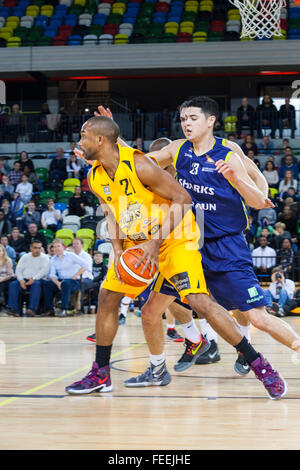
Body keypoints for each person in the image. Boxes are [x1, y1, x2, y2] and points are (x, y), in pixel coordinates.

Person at [65, 113, 286, 400]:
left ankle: (258, 363)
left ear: (99, 140)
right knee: (108, 296)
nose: (79, 141)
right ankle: (101, 373)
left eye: (83, 135)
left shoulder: (140, 164)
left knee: (199, 301)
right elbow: (112, 213)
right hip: (138, 242)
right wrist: (118, 252)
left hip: (175, 239)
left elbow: (183, 199)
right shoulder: (95, 176)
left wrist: (155, 243)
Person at [43, 239, 91, 317]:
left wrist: (75, 275)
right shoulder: (53, 259)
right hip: (60, 280)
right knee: (46, 284)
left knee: (66, 283)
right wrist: (58, 283)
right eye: (54, 247)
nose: (56, 248)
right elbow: (52, 275)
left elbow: (85, 265)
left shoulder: (71, 255)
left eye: (58, 246)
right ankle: (49, 309)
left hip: (74, 281)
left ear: (63, 247)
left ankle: (64, 309)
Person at [5, 240, 49, 317]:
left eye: (39, 248)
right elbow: (18, 270)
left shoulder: (45, 258)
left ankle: (32, 309)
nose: (37, 250)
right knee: (13, 284)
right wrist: (21, 280)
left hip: (38, 280)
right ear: (31, 248)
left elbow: (44, 271)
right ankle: (14, 309)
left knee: (36, 284)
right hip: (24, 280)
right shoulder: (25, 257)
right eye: (35, 248)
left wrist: (34, 278)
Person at [72, 237, 94, 305]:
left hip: (86, 278)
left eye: (77, 244)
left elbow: (85, 267)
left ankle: (78, 305)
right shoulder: (71, 255)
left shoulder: (86, 256)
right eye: (74, 244)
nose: (75, 245)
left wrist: (75, 275)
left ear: (82, 245)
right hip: (73, 277)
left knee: (80, 283)